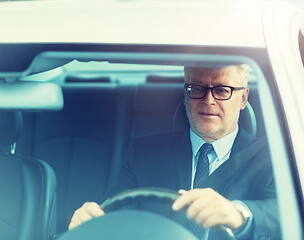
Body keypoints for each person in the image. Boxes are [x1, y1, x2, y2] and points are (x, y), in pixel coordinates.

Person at [68, 65, 280, 240]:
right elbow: (113, 215)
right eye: (197, 88)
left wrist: (238, 214)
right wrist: (90, 223)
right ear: (186, 94)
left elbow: (283, 216)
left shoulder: (272, 157)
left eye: (222, 90)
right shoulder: (144, 152)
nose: (208, 100)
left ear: (243, 98)